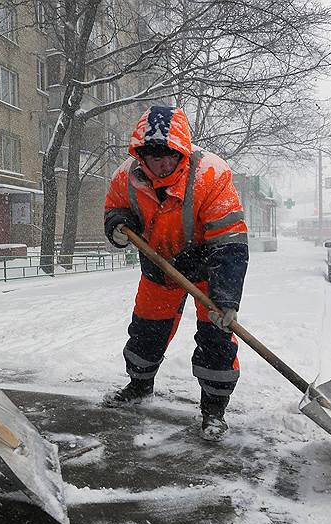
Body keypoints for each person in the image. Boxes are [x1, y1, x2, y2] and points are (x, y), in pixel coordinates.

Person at [102, 106, 249, 441]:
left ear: (182, 151)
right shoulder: (126, 176)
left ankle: (213, 411)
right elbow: (115, 207)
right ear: (141, 155)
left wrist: (225, 299)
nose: (162, 164)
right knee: (145, 333)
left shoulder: (210, 175)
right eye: (154, 157)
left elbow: (230, 242)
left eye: (170, 155)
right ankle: (139, 385)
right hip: (158, 265)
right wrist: (117, 226)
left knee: (216, 340)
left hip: (208, 269)